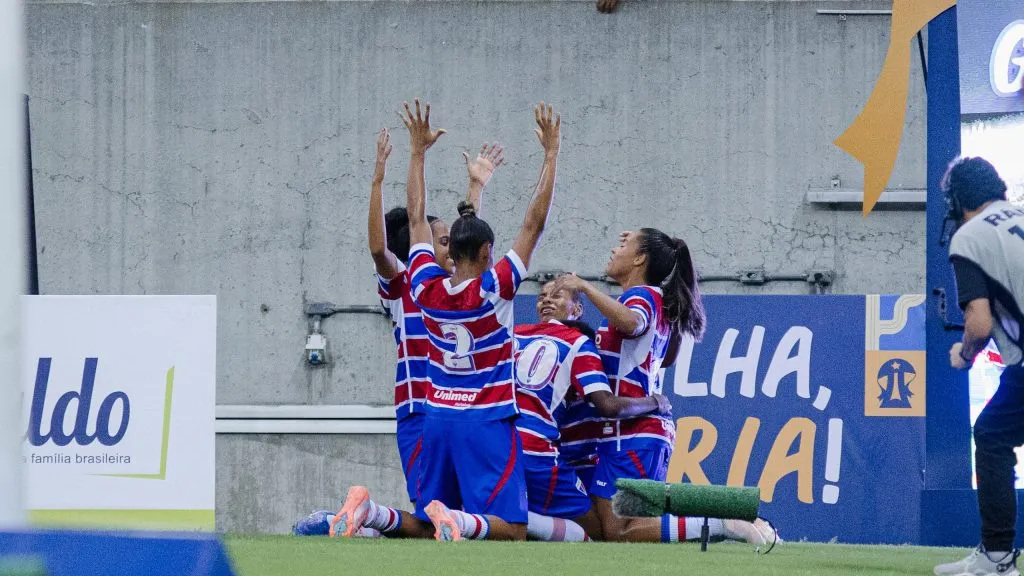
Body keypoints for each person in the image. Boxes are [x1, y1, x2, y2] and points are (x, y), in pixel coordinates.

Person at [338, 99, 561, 542]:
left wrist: (417, 154)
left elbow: (418, 218)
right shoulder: (493, 288)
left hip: (437, 413)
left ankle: (378, 514)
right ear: (487, 252)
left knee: (431, 522)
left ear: (450, 251)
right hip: (483, 416)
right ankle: (457, 520)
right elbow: (532, 226)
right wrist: (551, 155)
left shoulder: (424, 286)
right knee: (512, 530)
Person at [321, 127, 505, 540]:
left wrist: (476, 188)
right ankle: (363, 515)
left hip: (462, 411)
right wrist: (378, 180)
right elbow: (379, 250)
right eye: (442, 240)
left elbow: (470, 243)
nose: (450, 245)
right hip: (424, 410)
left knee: (453, 518)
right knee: (438, 519)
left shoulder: (466, 287)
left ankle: (366, 515)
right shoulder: (407, 282)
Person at [552, 230, 775, 548]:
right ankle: (728, 516)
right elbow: (666, 357)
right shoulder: (659, 300)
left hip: (632, 433)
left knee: (619, 530)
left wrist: (585, 287)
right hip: (638, 432)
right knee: (623, 526)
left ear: (640, 259)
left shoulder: (640, 297)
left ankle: (722, 522)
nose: (614, 250)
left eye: (623, 245)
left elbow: (632, 323)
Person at [513, 278, 673, 541]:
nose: (546, 300)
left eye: (556, 295)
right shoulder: (578, 344)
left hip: (527, 449)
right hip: (546, 453)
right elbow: (608, 405)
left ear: (577, 309)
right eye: (541, 296)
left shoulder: (516, 335)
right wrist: (655, 402)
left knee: (606, 526)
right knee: (604, 531)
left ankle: (499, 520)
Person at [934, 157, 1024, 576]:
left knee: (990, 436)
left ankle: (997, 556)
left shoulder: (969, 236)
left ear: (957, 201)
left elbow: (980, 323)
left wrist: (966, 354)